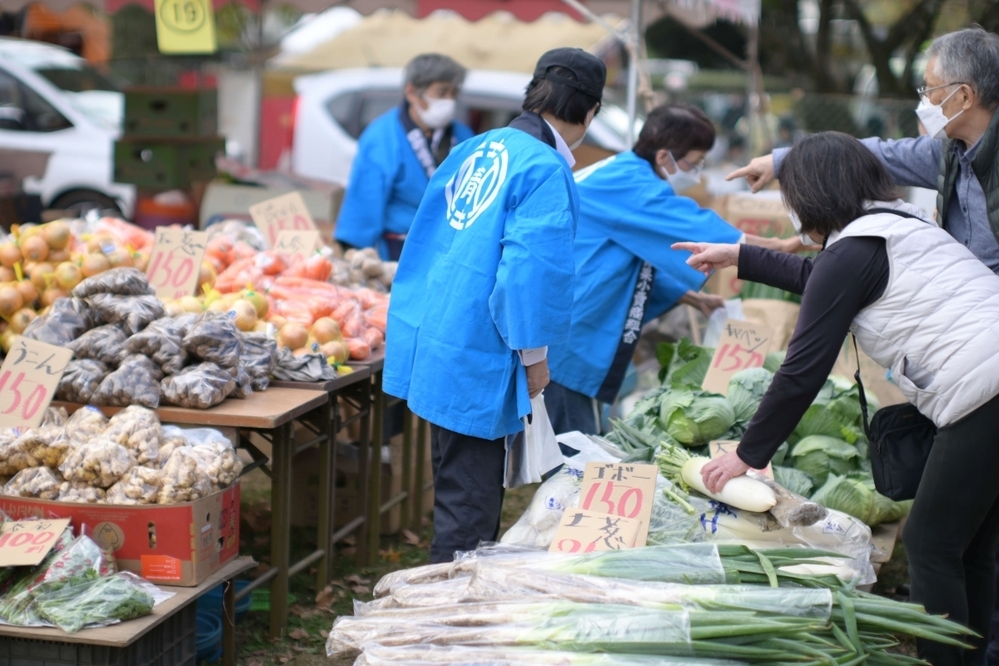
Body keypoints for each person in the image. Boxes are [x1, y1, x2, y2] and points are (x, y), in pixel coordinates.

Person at [727, 27, 999, 664]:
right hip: (987, 375)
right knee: (972, 545)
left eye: (930, 89)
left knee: (930, 543)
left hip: (983, 390)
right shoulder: (895, 224)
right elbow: (827, 279)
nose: (923, 101)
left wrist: (746, 456)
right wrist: (742, 255)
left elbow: (802, 370)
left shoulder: (857, 247)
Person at [384, 47, 606, 564]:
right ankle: (445, 606)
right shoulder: (544, 168)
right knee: (469, 508)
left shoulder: (475, 146)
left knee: (454, 486)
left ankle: (439, 591)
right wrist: (536, 357)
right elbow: (531, 275)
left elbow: (426, 240)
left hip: (438, 334)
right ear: (590, 111)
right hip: (480, 351)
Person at [543, 103, 810, 435]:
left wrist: (695, 299)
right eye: (694, 163)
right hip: (572, 333)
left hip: (567, 325)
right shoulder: (632, 186)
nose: (697, 174)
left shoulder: (620, 172)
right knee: (570, 443)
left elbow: (625, 261)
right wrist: (782, 247)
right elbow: (704, 231)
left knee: (571, 435)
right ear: (663, 157)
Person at [334, 54, 474, 261]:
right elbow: (364, 202)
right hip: (398, 252)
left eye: (454, 93)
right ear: (412, 92)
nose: (449, 101)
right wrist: (355, 252)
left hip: (450, 253)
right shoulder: (381, 136)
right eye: (442, 92)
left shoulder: (464, 137)